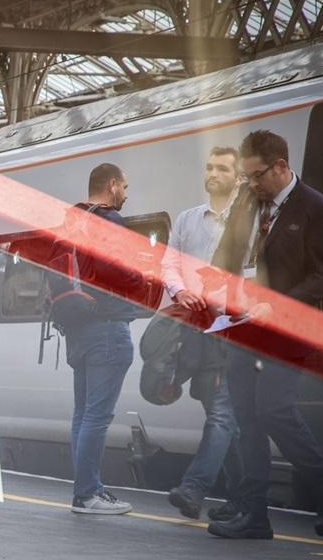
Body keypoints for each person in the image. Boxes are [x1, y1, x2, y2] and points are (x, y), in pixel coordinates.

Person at [207, 130, 323, 539]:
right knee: (246, 415)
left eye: (257, 175)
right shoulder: (249, 200)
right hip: (242, 322)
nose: (251, 184)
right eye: (247, 177)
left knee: (274, 409)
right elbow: (228, 255)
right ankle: (253, 515)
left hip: (285, 325)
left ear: (282, 166)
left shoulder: (317, 209)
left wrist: (276, 305)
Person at [160, 148, 246, 520]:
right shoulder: (187, 219)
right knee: (220, 412)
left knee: (222, 413)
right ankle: (245, 500)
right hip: (198, 331)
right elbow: (169, 263)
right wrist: (180, 290)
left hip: (236, 330)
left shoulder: (250, 222)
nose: (213, 173)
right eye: (210, 166)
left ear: (238, 177)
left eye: (222, 168)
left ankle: (194, 489)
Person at [63, 163, 144, 515]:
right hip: (108, 328)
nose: (126, 194)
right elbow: (123, 276)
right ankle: (88, 494)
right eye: (124, 186)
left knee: (83, 414)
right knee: (97, 416)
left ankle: (86, 491)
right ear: (111, 185)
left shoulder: (73, 219)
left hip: (77, 328)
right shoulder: (111, 222)